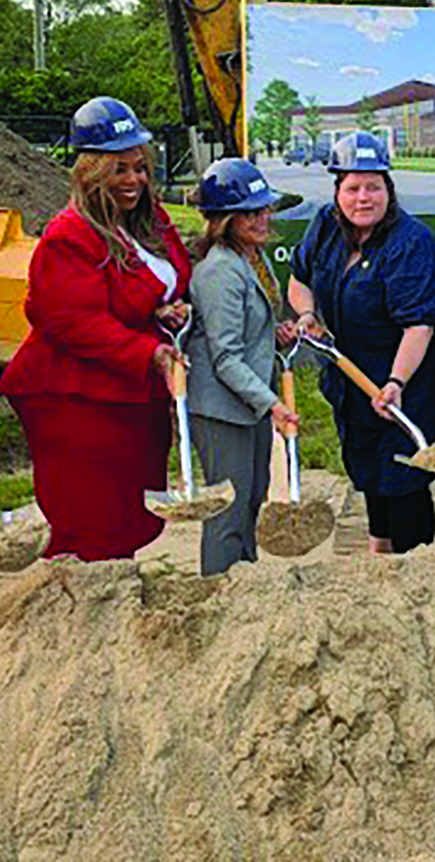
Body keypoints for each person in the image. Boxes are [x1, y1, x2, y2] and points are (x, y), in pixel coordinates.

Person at [0, 96, 192, 561]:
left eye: (139, 168)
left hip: (131, 394)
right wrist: (149, 351)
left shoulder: (149, 222)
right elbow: (69, 320)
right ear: (89, 172)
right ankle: (76, 611)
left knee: (129, 513)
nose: (134, 181)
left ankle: (114, 601)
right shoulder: (69, 235)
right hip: (77, 399)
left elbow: (160, 281)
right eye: (119, 170)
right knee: (91, 519)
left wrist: (164, 309)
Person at [287, 131, 435, 555]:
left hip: (405, 383)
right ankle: (379, 561)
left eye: (374, 186)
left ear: (388, 188)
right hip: (351, 382)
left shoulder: (410, 243)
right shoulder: (326, 225)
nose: (364, 197)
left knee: (404, 481)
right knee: (371, 479)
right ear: (338, 189)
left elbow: (419, 326)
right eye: (354, 187)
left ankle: (419, 569)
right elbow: (298, 280)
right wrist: (307, 315)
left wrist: (396, 382)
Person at [184, 157, 297, 576]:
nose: (262, 218)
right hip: (221, 408)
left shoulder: (254, 259)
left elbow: (253, 326)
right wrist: (272, 404)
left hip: (248, 404)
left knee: (252, 500)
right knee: (227, 513)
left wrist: (275, 332)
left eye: (265, 208)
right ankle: (218, 596)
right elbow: (225, 356)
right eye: (250, 212)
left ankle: (244, 586)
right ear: (225, 219)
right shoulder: (219, 271)